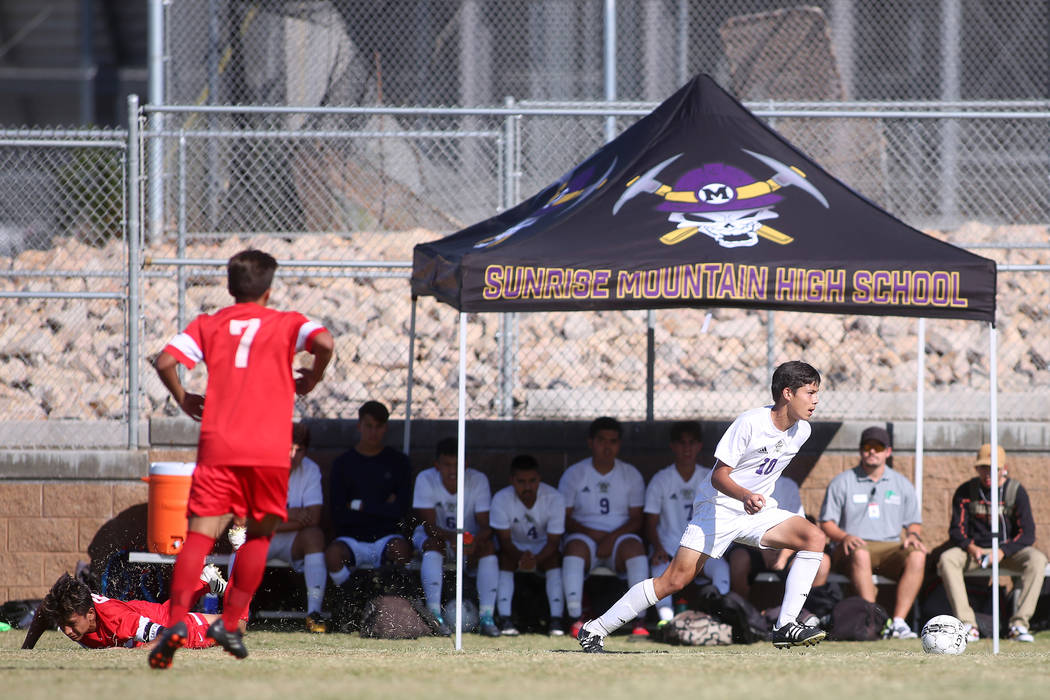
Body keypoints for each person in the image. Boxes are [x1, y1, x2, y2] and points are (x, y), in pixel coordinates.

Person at [150, 249, 333, 668]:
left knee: (198, 535)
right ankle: (231, 624)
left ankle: (176, 623)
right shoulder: (287, 322)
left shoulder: (209, 324)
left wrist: (183, 399)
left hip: (219, 444)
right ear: (269, 289)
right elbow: (324, 341)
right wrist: (313, 375)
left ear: (230, 288)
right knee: (259, 536)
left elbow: (165, 361)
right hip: (268, 451)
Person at [578, 361, 827, 652]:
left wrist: (752, 499)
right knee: (674, 580)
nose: (815, 400)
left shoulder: (802, 431)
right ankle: (594, 630)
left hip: (756, 511)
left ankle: (785, 625)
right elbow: (719, 475)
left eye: (816, 393)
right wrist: (745, 495)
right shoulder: (750, 423)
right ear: (787, 393)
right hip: (719, 507)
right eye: (810, 393)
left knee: (814, 537)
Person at [818, 426, 926, 639]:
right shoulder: (843, 482)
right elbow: (826, 523)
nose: (872, 452)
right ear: (860, 451)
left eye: (878, 447)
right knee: (861, 552)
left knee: (918, 555)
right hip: (851, 547)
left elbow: (914, 523)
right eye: (867, 447)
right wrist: (844, 536)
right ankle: (877, 621)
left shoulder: (902, 484)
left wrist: (913, 536)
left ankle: (898, 623)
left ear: (888, 451)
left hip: (890, 547)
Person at [937, 443, 1047, 643]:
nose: (988, 473)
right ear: (977, 468)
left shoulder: (1015, 491)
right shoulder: (966, 491)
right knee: (947, 559)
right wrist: (971, 547)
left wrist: (1003, 551)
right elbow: (956, 530)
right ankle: (968, 624)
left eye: (993, 469)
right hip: (973, 552)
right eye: (983, 468)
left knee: (1038, 560)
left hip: (1007, 551)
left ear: (1004, 469)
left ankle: (1019, 625)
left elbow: (1027, 534)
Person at [231, 422, 329, 633]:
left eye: (299, 449)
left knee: (314, 536)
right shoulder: (261, 468)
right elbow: (246, 519)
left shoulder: (311, 470)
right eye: (289, 448)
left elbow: (313, 518)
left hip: (290, 539)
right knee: (239, 540)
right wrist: (288, 514)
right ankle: (233, 614)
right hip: (257, 537)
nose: (293, 455)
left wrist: (273, 519)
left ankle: (314, 613)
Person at [559, 416, 649, 639]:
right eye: (602, 440)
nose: (607, 446)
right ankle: (575, 617)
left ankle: (640, 620)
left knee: (635, 549)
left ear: (619, 444)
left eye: (613, 441)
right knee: (575, 549)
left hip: (619, 539)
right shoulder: (574, 474)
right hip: (584, 537)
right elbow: (565, 517)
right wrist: (593, 534)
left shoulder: (631, 474)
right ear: (591, 442)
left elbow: (637, 519)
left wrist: (611, 538)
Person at [325, 400, 413, 608]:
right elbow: (338, 513)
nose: (373, 432)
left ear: (386, 428)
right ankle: (351, 601)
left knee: (402, 549)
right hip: (351, 539)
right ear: (359, 426)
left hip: (386, 537)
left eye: (379, 426)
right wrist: (383, 506)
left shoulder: (399, 462)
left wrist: (360, 506)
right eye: (368, 426)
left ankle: (393, 603)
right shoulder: (343, 464)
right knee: (333, 554)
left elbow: (400, 510)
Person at [644, 420, 731, 625]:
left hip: (701, 546)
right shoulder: (661, 479)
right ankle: (666, 621)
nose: (687, 448)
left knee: (721, 569)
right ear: (673, 446)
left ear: (699, 446)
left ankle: (717, 618)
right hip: (668, 547)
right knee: (659, 569)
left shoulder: (710, 477)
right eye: (682, 443)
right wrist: (657, 547)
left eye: (692, 443)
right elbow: (650, 522)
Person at [412, 436, 500, 637]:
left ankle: (487, 617)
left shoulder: (478, 480)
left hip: (468, 540)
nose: (453, 470)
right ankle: (434, 614)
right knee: (433, 544)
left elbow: (486, 525)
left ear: (466, 464)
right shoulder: (425, 479)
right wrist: (456, 538)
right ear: (437, 465)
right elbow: (429, 526)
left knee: (488, 548)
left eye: (458, 465)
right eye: (447, 465)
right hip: (439, 540)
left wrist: (472, 541)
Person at [22, 567, 229, 650]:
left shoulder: (118, 620)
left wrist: (134, 655)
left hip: (147, 618)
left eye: (71, 625)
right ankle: (203, 581)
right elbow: (42, 612)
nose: (66, 631)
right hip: (132, 613)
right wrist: (27, 649)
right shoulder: (66, 609)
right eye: (62, 624)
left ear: (91, 614)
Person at [490, 453, 567, 636]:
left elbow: (554, 541)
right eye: (521, 481)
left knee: (553, 560)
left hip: (544, 547)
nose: (527, 487)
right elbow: (504, 540)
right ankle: (505, 618)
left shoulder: (554, 498)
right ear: (512, 480)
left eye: (532, 481)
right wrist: (521, 558)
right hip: (514, 547)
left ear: (539, 479)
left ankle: (556, 620)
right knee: (505, 559)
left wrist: (536, 559)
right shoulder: (501, 499)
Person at [727, 475, 830, 601]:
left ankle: (806, 614)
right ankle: (739, 611)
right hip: (753, 546)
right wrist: (762, 549)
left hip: (786, 549)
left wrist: (784, 555)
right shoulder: (744, 481)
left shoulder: (788, 485)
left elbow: (800, 531)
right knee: (739, 559)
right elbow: (736, 525)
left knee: (822, 563)